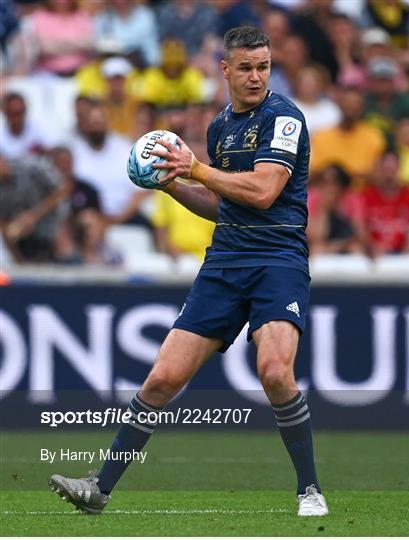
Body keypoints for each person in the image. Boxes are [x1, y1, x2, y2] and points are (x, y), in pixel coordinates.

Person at [49, 26, 329, 518]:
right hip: (225, 262)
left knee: (275, 372)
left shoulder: (285, 118)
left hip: (277, 259)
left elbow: (263, 193)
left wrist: (195, 168)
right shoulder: (221, 125)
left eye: (263, 66)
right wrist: (170, 183)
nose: (255, 77)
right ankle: (99, 490)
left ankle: (310, 489)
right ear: (225, 70)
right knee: (162, 377)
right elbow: (224, 207)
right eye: (245, 67)